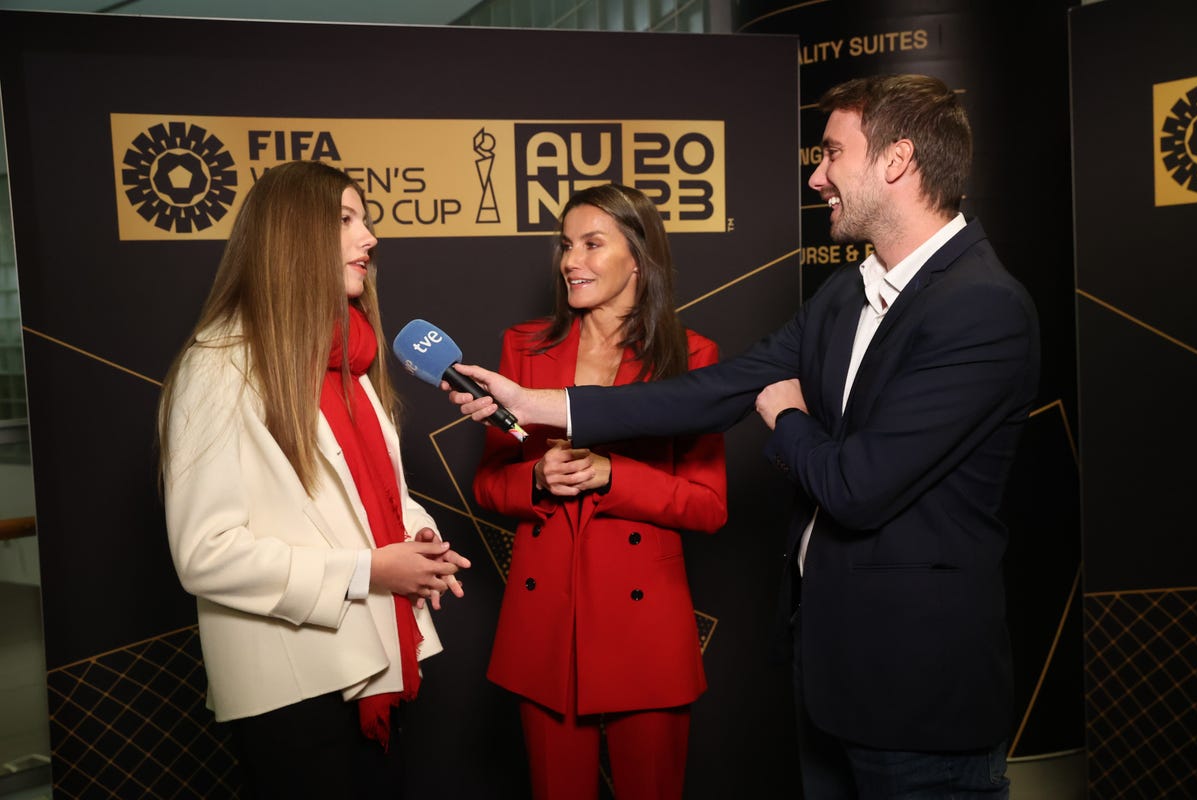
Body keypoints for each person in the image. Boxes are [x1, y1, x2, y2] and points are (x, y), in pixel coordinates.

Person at [447, 75, 1039, 799]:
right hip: (828, 676)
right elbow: (718, 389)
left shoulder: (982, 307)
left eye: (830, 153)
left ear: (897, 160)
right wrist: (542, 404)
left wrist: (786, 417)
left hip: (919, 689)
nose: (816, 174)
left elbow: (858, 488)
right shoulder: (847, 294)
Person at [158, 160, 470, 799]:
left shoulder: (349, 359)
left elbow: (373, 497)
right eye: (346, 220)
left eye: (366, 219)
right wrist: (369, 571)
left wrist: (420, 542)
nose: (370, 238)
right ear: (294, 236)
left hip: (379, 661)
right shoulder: (219, 365)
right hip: (292, 687)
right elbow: (204, 553)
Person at [475, 184, 727, 799]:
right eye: (566, 245)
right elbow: (487, 486)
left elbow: (709, 506)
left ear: (637, 257)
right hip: (547, 631)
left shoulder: (691, 356)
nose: (570, 261)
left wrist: (616, 475)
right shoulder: (525, 347)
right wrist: (535, 478)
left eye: (592, 244)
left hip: (646, 632)